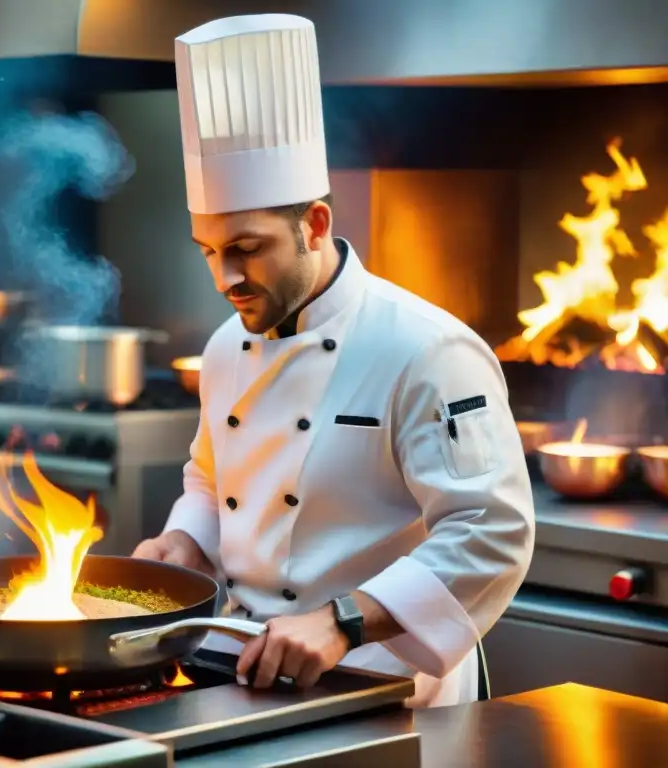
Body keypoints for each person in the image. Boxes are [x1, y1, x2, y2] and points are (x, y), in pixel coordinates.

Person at [132, 14, 535, 708]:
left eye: (247, 248)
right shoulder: (227, 347)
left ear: (316, 225)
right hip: (239, 671)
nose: (224, 278)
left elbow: (491, 530)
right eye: (207, 251)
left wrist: (341, 622)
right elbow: (211, 475)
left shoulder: (426, 349)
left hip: (384, 690)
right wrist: (186, 541)